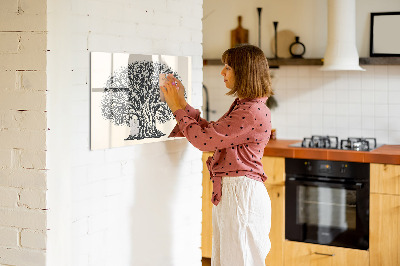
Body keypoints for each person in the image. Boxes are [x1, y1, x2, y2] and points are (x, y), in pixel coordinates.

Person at [160, 44, 273, 266]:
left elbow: (204, 141)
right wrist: (182, 103)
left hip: (241, 195)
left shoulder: (250, 111)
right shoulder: (246, 106)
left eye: (228, 67)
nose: (222, 72)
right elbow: (212, 133)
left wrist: (176, 108)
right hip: (235, 193)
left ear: (244, 71)